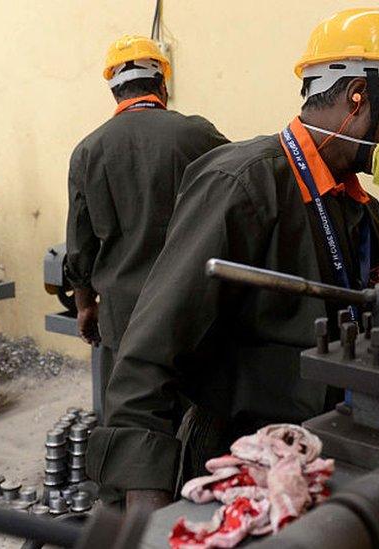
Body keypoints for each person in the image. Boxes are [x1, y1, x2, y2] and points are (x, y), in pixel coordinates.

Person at [85, 8, 379, 511]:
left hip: (326, 452)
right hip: (238, 461)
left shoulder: (360, 211)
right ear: (358, 97)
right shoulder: (242, 187)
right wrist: (145, 515)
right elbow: (148, 358)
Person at [64, 34, 229, 405]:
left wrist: (85, 305)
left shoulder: (87, 151)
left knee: (130, 417)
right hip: (192, 307)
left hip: (123, 318)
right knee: (196, 414)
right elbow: (237, 202)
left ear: (114, 93)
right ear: (162, 85)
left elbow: (80, 245)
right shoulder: (198, 134)